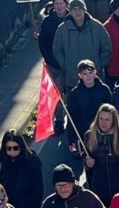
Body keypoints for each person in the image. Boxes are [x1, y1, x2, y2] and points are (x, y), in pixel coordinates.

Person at [0, 130, 44, 208]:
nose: (12, 152)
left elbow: (38, 190)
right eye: (8, 148)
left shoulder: (31, 162)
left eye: (15, 148)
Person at [52, 0, 113, 91]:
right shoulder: (62, 29)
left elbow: (107, 48)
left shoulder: (97, 26)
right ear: (70, 11)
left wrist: (99, 65)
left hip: (94, 76)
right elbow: (57, 49)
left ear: (85, 10)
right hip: (72, 78)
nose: (78, 12)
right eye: (74, 9)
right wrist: (66, 66)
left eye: (80, 9)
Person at [83, 103, 119, 207]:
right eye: (101, 119)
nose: (103, 123)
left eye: (107, 120)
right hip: (99, 189)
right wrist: (88, 163)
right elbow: (85, 159)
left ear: (114, 121)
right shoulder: (89, 135)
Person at [66, 60, 113, 154]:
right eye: (84, 73)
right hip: (83, 132)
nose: (88, 76)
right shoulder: (75, 94)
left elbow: (112, 111)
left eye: (90, 72)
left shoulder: (104, 89)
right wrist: (71, 140)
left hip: (102, 132)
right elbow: (71, 118)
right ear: (80, 75)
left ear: (95, 72)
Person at [38, 0, 70, 131]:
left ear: (66, 4)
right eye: (56, 3)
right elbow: (43, 44)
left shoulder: (73, 18)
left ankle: (73, 118)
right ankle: (59, 120)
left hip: (71, 64)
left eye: (61, 3)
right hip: (54, 64)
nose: (59, 6)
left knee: (71, 92)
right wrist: (51, 60)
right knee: (57, 93)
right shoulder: (47, 22)